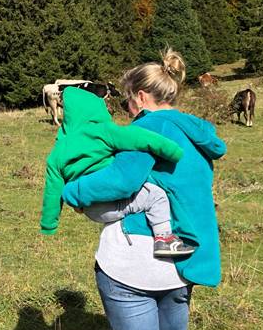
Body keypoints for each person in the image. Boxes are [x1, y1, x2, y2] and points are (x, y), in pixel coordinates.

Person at [61, 49, 231, 330]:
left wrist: (71, 188)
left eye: (124, 104)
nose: (123, 112)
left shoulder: (146, 129)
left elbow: (118, 182)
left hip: (133, 265)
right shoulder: (196, 134)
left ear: (140, 97)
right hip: (180, 262)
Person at [40, 85, 194, 257]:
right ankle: (164, 239)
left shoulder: (57, 151)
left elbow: (52, 192)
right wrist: (172, 151)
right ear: (96, 108)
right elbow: (139, 138)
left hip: (92, 210)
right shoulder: (102, 131)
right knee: (155, 195)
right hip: (112, 198)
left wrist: (49, 224)